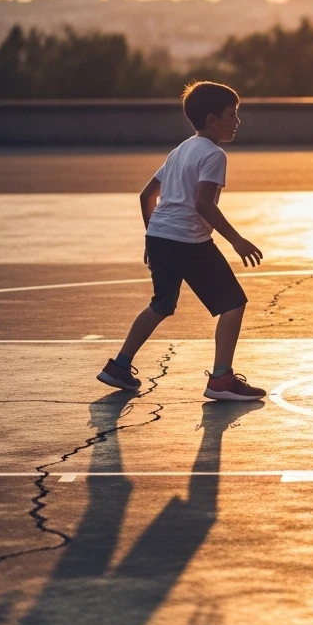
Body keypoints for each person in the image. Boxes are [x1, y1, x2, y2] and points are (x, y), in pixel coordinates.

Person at [96, 81, 266, 402]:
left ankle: (119, 366)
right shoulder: (214, 154)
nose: (237, 121)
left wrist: (152, 236)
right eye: (233, 114)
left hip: (161, 235)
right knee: (232, 304)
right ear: (213, 119)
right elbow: (203, 204)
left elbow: (147, 195)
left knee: (162, 304)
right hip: (188, 240)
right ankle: (221, 379)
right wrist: (237, 240)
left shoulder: (181, 149)